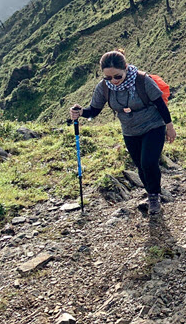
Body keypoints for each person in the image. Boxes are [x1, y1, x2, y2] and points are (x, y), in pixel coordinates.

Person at [69, 50, 175, 215]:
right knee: (140, 165)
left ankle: (154, 198)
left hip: (153, 126)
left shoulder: (142, 80)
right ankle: (151, 194)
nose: (114, 81)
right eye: (108, 77)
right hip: (130, 131)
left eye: (117, 76)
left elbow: (160, 104)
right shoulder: (104, 87)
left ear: (125, 68)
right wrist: (80, 112)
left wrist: (170, 127)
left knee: (148, 162)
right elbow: (94, 110)